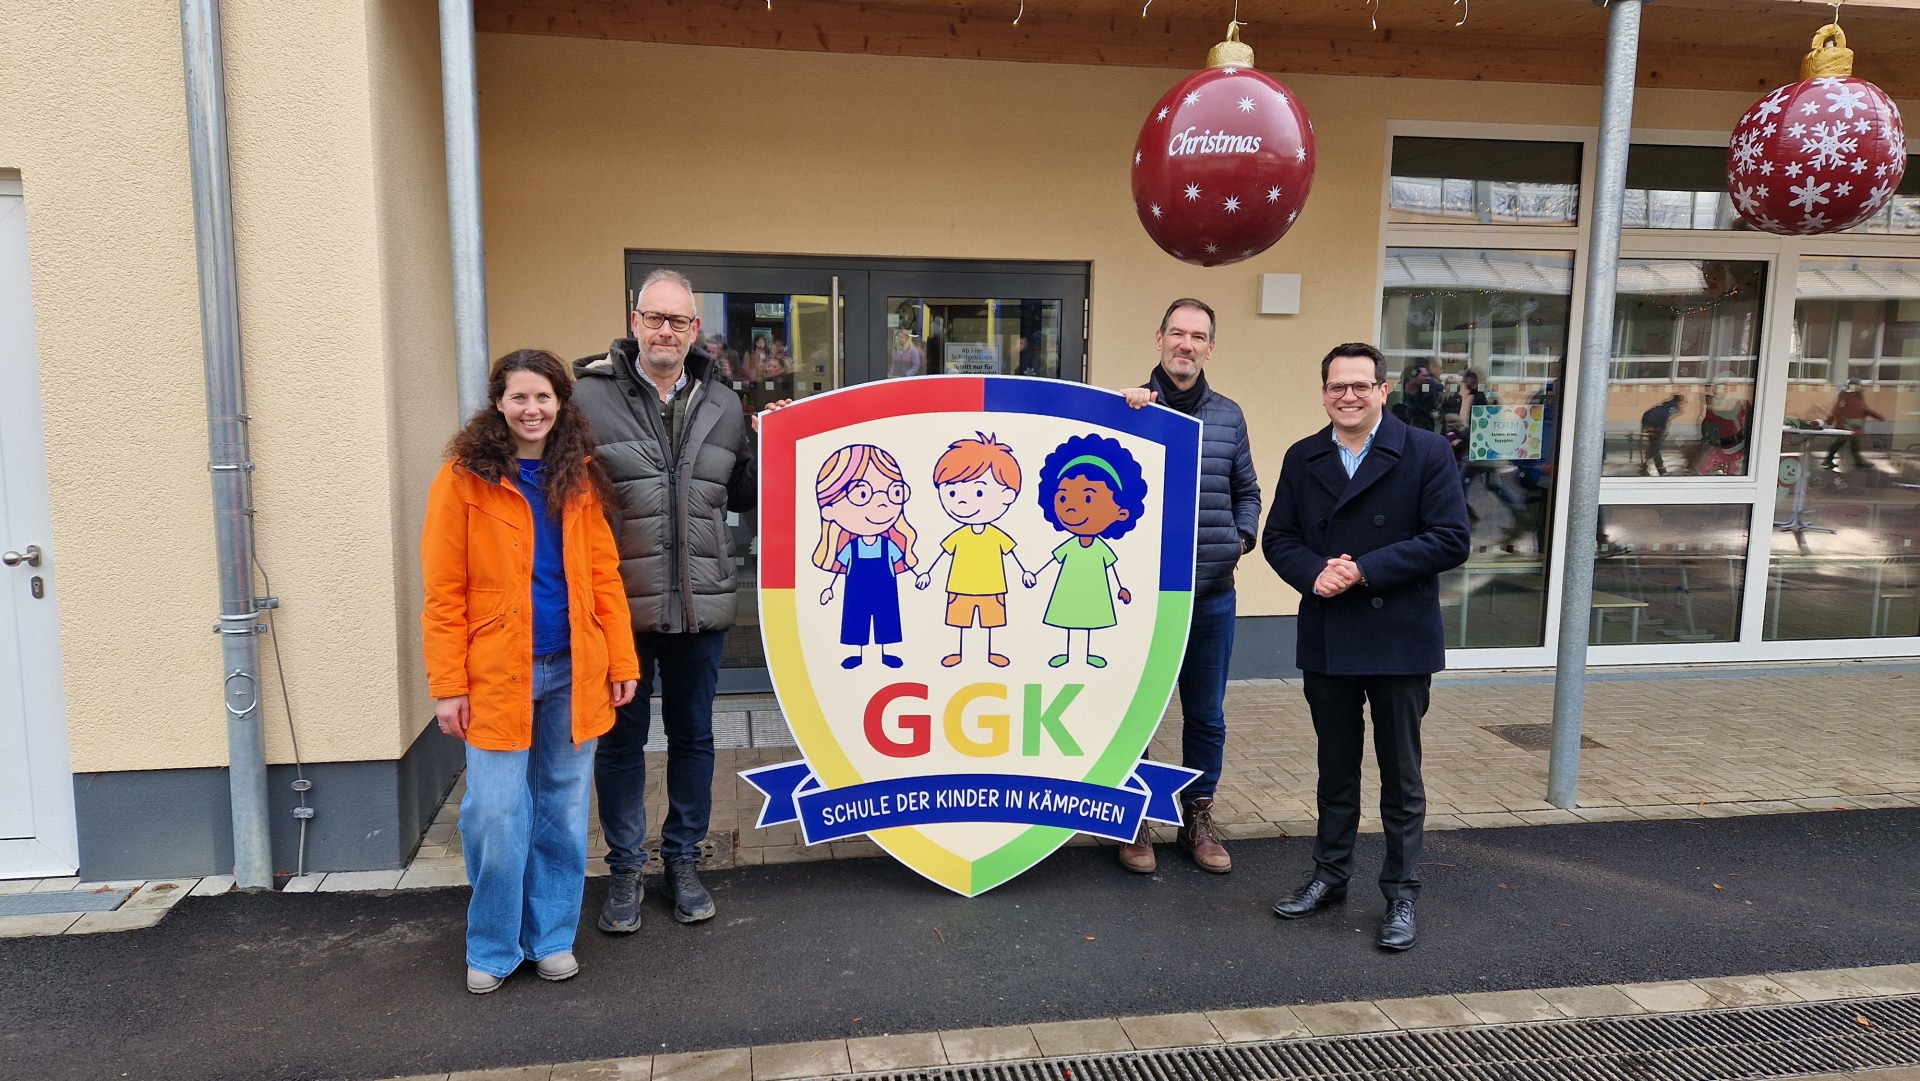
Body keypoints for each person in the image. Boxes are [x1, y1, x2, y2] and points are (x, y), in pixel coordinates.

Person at [421, 349, 641, 994]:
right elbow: (443, 591)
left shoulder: (578, 474)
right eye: (519, 397)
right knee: (494, 813)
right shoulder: (464, 478)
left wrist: (621, 660)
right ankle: (492, 945)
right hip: (496, 673)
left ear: (560, 403)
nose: (532, 409)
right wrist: (448, 686)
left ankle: (550, 938)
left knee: (563, 812)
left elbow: (603, 575)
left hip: (575, 668)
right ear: (499, 403)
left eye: (543, 397)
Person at [572, 268, 769, 930]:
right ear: (634, 322)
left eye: (678, 321)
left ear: (695, 330)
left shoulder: (726, 401)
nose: (664, 330)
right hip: (620, 604)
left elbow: (741, 493)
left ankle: (683, 860)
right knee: (622, 742)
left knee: (693, 735)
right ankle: (625, 868)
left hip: (700, 602)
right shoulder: (587, 396)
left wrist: (773, 447)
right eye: (654, 318)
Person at [1262, 342, 1470, 951]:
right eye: (1336, 387)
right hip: (1329, 633)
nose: (1347, 396)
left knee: (1402, 774)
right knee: (1335, 767)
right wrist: (1313, 572)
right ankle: (1329, 876)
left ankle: (1401, 892)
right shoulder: (1303, 457)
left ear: (1383, 390)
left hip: (1399, 635)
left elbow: (1451, 539)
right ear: (1324, 392)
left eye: (1359, 385)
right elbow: (1279, 537)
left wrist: (1363, 569)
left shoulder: (1425, 451)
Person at [1119, 297, 1261, 874]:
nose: (1186, 344)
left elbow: (1247, 490)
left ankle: (1198, 815)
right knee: (1137, 713)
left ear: (1209, 347)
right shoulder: (1128, 409)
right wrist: (1126, 410)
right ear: (1158, 339)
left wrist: (1240, 539)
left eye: (1197, 336)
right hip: (1141, 602)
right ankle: (1134, 818)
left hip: (1210, 595)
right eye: (1176, 333)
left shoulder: (1229, 415)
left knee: (1206, 713)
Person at [916, 434, 1038, 668]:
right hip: (960, 586)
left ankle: (991, 652)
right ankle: (959, 653)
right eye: (951, 493)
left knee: (991, 622)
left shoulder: (996, 535)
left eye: (979, 492)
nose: (962, 501)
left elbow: (1011, 554)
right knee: (961, 622)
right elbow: (944, 554)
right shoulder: (959, 535)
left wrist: (1025, 572)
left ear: (1007, 495)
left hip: (992, 587)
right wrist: (927, 573)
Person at [814, 444, 921, 669]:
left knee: (887, 619)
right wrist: (830, 588)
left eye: (894, 492)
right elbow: (841, 570)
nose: (883, 503)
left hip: (885, 591)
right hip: (857, 592)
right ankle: (857, 654)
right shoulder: (851, 548)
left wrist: (918, 574)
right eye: (862, 494)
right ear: (829, 510)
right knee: (856, 619)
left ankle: (887, 653)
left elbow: (904, 563)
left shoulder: (888, 545)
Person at [1824, 380, 1885, 471]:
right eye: (1857, 385)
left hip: (1852, 425)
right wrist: (1830, 420)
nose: (1859, 387)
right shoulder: (1846, 397)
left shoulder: (1857, 397)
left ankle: (1829, 459)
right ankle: (1856, 461)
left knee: (1844, 443)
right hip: (1847, 425)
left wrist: (1878, 416)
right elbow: (1838, 409)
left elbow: (1864, 409)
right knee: (1847, 443)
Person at [1639, 393, 1684, 476]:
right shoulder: (1674, 407)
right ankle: (1656, 468)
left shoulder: (1665, 405)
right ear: (1680, 401)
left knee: (1655, 447)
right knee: (1655, 448)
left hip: (1648, 425)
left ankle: (1655, 468)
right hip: (1656, 427)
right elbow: (1667, 418)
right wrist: (1662, 429)